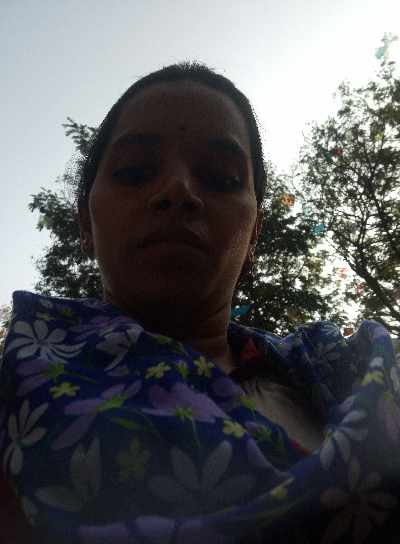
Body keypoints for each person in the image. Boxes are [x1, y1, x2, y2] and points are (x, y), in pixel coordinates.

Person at [1, 60, 400, 544]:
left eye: (221, 177)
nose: (178, 191)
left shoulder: (353, 375)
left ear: (254, 235)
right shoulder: (19, 385)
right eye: (134, 172)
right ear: (85, 221)